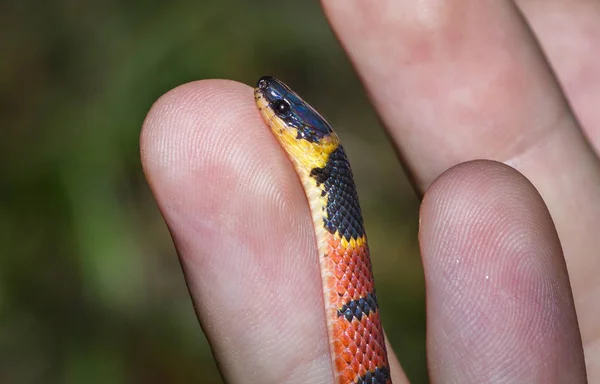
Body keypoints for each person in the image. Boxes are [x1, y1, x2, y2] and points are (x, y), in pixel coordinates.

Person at [140, 2, 598, 382]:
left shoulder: (328, 173)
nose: (271, 103)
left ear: (310, 144)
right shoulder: (329, 180)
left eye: (281, 110)